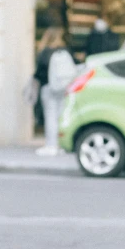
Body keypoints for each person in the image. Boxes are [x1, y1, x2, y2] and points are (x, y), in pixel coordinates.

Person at [34, 27, 76, 156]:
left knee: (50, 118)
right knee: (61, 117)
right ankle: (61, 144)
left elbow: (39, 72)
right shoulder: (65, 51)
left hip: (48, 88)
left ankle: (51, 145)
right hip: (64, 88)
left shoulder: (45, 52)